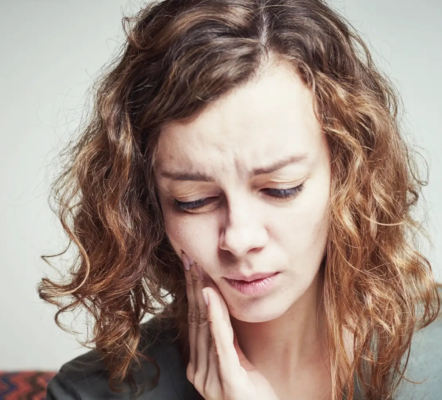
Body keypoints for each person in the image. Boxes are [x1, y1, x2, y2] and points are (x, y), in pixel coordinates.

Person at [38, 0, 442, 399]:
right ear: (147, 206)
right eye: (192, 200)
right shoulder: (89, 391)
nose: (239, 238)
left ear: (350, 175)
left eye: (281, 188)